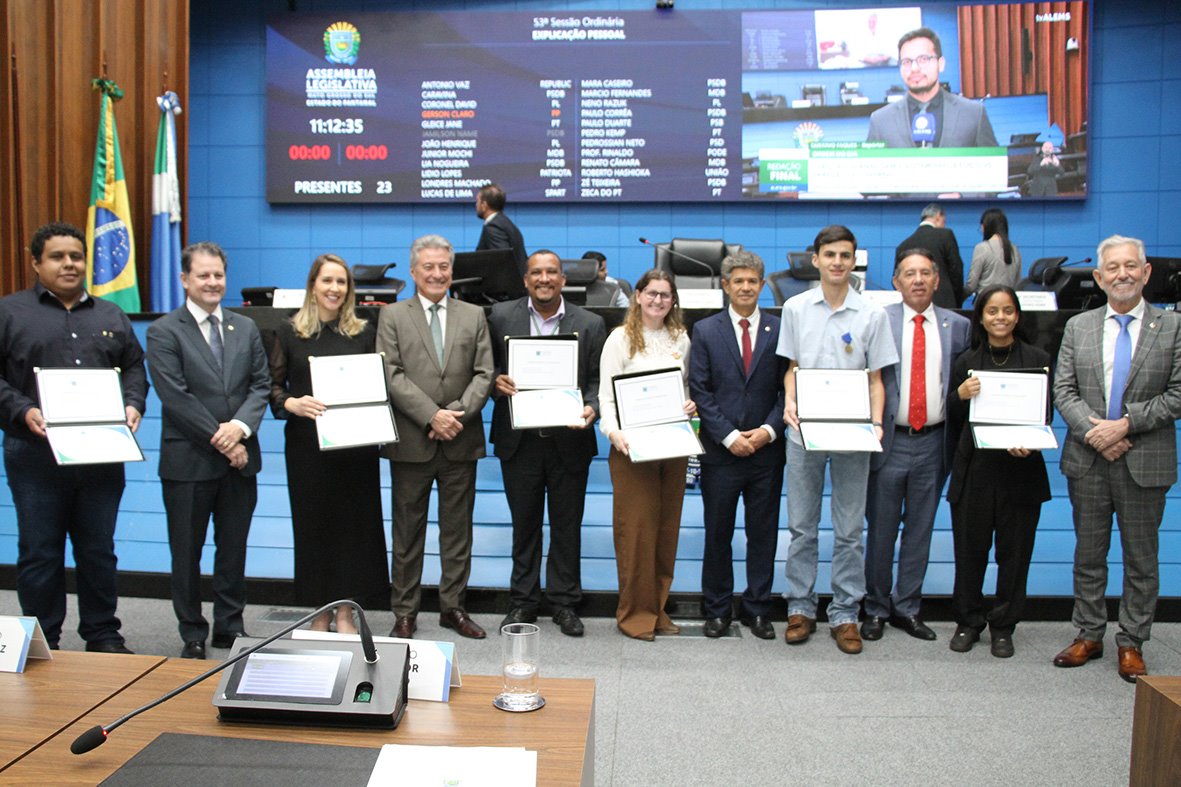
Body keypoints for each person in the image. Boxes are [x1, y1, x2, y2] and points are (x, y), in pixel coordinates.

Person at [0, 222, 147, 653]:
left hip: (102, 454)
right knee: (40, 551)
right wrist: (23, 410)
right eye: (57, 257)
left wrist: (133, 403)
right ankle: (43, 640)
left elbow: (134, 367)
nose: (69, 264)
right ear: (36, 263)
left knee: (98, 551)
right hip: (35, 454)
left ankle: (102, 635)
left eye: (76, 257)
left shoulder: (111, 315)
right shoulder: (9, 312)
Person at [1052, 235, 1181, 683]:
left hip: (1144, 460)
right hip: (1089, 459)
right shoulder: (1079, 327)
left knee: (1141, 558)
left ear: (1146, 273)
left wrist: (1124, 425)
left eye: (1130, 266)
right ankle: (1088, 634)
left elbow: (1178, 393)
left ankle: (1132, 641)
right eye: (1113, 267)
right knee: (1089, 554)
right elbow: (1063, 390)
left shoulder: (1172, 327)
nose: (1122, 274)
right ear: (1099, 276)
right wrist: (1096, 434)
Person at [146, 241, 270, 659]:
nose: (212, 282)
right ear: (185, 279)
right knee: (187, 552)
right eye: (203, 275)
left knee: (233, 549)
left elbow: (260, 385)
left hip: (241, 461)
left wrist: (239, 429)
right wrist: (226, 442)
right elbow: (175, 396)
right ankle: (192, 631)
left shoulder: (245, 327)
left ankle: (229, 625)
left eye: (218, 274)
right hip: (188, 462)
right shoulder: (164, 331)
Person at [777, 225, 897, 655]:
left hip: (852, 432)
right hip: (803, 431)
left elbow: (876, 379)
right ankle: (800, 607)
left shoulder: (873, 314)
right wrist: (790, 402)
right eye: (830, 255)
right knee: (801, 527)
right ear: (816, 260)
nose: (837, 262)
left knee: (849, 530)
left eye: (845, 255)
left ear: (854, 261)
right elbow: (791, 369)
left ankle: (845, 612)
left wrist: (876, 423)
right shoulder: (795, 308)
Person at [377, 234, 494, 640]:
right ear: (413, 271)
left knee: (457, 532)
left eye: (444, 266)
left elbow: (485, 373)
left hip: (461, 438)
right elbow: (391, 374)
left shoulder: (473, 315)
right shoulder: (392, 316)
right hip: (412, 441)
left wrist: (454, 414)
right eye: (428, 266)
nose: (437, 273)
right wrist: (432, 415)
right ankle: (404, 612)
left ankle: (453, 608)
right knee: (407, 534)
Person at [267, 254, 389, 634]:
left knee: (355, 530)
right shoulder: (289, 331)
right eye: (327, 281)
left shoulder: (364, 332)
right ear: (312, 286)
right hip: (307, 449)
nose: (334, 288)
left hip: (357, 448)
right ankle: (319, 613)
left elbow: (380, 386)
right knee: (313, 528)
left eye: (341, 282)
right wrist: (291, 403)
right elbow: (272, 387)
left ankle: (346, 612)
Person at [489, 250, 607, 637]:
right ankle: (523, 601)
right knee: (524, 526)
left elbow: (597, 380)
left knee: (566, 526)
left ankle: (564, 602)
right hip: (519, 442)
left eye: (552, 272)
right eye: (536, 272)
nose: (544, 279)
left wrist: (592, 406)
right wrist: (495, 382)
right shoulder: (500, 317)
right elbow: (485, 368)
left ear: (563, 279)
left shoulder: (590, 323)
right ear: (525, 280)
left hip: (569, 440)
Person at [863, 250, 971, 643]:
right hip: (890, 440)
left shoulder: (958, 326)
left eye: (926, 273)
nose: (918, 280)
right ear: (896, 282)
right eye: (910, 274)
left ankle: (907, 608)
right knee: (881, 529)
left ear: (937, 280)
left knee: (920, 530)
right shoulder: (879, 320)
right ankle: (875, 608)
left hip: (935, 442)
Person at [945, 285, 1051, 658]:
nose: (1000, 317)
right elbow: (953, 417)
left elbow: (1045, 414)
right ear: (981, 317)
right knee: (969, 554)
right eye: (992, 311)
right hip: (975, 472)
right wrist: (959, 395)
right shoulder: (966, 361)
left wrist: (1032, 442)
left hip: (1021, 472)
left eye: (1007, 310)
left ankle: (1003, 627)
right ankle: (968, 621)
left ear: (1017, 316)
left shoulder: (1038, 359)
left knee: (1015, 556)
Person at [688, 251, 785, 640]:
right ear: (725, 286)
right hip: (720, 452)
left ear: (762, 285)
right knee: (718, 533)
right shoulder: (705, 330)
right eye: (738, 281)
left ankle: (757, 608)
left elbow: (788, 389)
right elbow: (700, 389)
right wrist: (729, 436)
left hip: (767, 451)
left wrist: (768, 431)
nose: (746, 287)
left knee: (763, 534)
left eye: (752, 281)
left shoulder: (780, 329)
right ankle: (717, 609)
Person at [599, 269, 695, 640]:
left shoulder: (680, 337)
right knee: (637, 533)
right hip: (632, 448)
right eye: (652, 293)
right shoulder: (619, 339)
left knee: (666, 530)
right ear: (637, 296)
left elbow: (686, 389)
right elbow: (607, 397)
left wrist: (689, 406)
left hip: (672, 446)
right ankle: (634, 614)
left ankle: (657, 609)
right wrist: (614, 433)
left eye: (665, 295)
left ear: (673, 301)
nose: (658, 301)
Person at [866, 27, 997, 148]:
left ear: (941, 64)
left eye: (923, 59)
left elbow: (994, 163)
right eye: (906, 62)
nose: (914, 68)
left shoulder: (974, 113)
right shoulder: (880, 121)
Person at [894, 203, 965, 308]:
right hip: (945, 304)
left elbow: (897, 279)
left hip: (912, 306)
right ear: (938, 217)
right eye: (944, 221)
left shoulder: (903, 246)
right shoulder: (945, 235)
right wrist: (958, 301)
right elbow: (956, 272)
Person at [965, 207, 1022, 299]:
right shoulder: (1014, 249)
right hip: (1008, 300)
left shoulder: (982, 248)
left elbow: (971, 285)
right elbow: (1017, 282)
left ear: (985, 226)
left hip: (986, 301)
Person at [475, 183, 527, 276]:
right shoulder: (505, 223)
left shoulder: (494, 226)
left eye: (477, 201)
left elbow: (503, 261)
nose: (476, 205)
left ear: (484, 205)